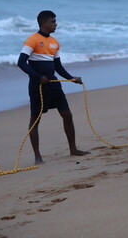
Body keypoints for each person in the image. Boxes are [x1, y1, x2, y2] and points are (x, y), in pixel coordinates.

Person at [17, 10, 89, 164]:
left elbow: (58, 67)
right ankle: (37, 156)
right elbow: (21, 62)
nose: (56, 24)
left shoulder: (55, 42)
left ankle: (73, 149)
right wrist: (38, 77)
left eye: (55, 21)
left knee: (67, 115)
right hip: (38, 85)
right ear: (44, 23)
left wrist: (71, 79)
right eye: (53, 21)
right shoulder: (32, 40)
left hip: (53, 84)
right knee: (35, 119)